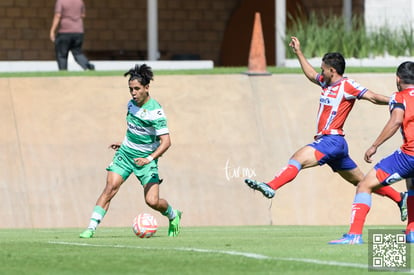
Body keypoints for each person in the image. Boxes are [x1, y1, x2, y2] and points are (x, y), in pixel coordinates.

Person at [244, 36, 407, 221]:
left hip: (331, 140)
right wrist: (298, 52)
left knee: (297, 159)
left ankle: (271, 186)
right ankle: (400, 198)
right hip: (336, 147)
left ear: (332, 70)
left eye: (323, 69)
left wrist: (396, 100)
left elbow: (373, 97)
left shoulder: (347, 85)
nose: (320, 72)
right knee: (361, 181)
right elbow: (310, 74)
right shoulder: (326, 81)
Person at [80, 64, 181, 238]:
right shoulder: (131, 105)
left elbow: (166, 142)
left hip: (145, 160)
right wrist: (125, 143)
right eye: (130, 89)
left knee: (152, 201)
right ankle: (90, 228)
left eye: (137, 89)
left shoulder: (155, 112)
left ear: (146, 88)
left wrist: (149, 159)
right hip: (125, 155)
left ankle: (173, 215)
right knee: (110, 188)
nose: (133, 93)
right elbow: (134, 130)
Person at [329, 61, 414, 244]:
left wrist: (375, 145)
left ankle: (354, 235)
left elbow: (396, 121)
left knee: (365, 185)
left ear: (398, 80)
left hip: (409, 156)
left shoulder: (399, 96)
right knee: (412, 184)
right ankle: (412, 232)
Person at [49, 0, 95, 71]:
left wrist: (52, 30)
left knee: (62, 54)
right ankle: (87, 65)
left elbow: (57, 15)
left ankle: (63, 72)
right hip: (78, 31)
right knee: (77, 52)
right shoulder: (80, 2)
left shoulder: (61, 1)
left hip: (65, 31)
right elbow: (83, 15)